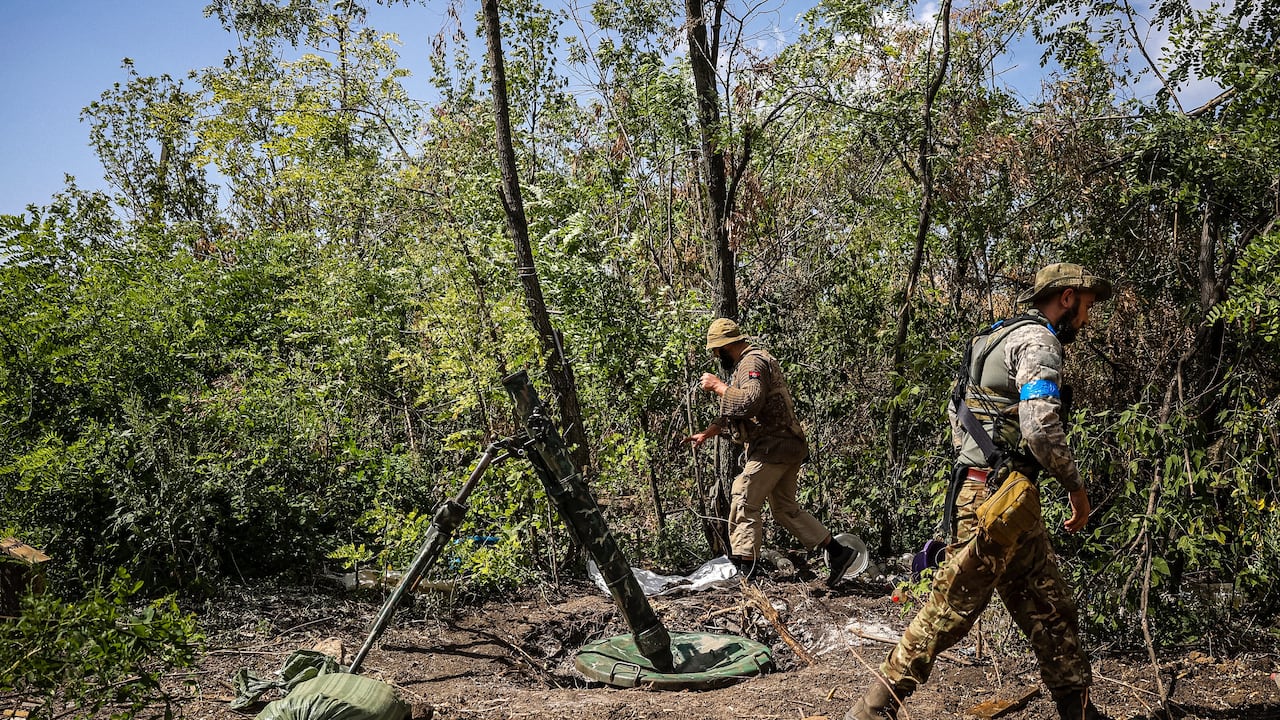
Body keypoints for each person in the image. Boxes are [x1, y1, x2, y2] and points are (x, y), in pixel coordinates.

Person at [847, 263, 1115, 720]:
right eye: (1087, 306)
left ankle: (1080, 710)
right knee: (950, 609)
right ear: (1067, 298)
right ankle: (874, 708)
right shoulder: (1039, 341)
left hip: (1001, 499)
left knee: (1051, 608)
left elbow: (962, 416)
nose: (1087, 319)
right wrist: (1076, 487)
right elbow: (1039, 427)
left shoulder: (993, 339)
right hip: (995, 502)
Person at [687, 318, 857, 587]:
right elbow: (738, 410)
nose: (715, 356)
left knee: (743, 496)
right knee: (785, 508)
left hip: (773, 447)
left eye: (715, 351)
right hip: (788, 445)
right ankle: (839, 553)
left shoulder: (751, 363)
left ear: (723, 347)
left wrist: (719, 387)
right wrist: (709, 432)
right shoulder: (749, 363)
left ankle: (747, 574)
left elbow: (751, 402)